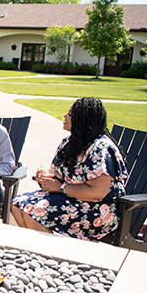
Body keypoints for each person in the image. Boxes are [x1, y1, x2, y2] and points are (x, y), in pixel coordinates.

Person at [12, 97, 128, 240]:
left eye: (70, 114)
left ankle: (49, 253)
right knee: (18, 203)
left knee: (36, 210)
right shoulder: (69, 142)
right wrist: (45, 178)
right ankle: (38, 251)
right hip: (69, 198)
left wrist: (60, 187)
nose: (65, 116)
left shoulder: (100, 148)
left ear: (83, 120)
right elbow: (57, 176)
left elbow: (98, 192)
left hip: (98, 209)